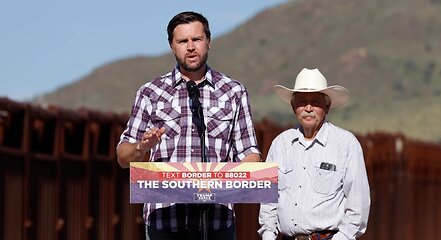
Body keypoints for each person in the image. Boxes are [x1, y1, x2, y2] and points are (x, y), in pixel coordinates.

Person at [116, 11, 261, 240]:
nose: (190, 47)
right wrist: (141, 148)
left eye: (197, 39)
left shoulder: (233, 92)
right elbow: (123, 157)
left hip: (217, 223)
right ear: (172, 46)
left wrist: (226, 181)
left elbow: (250, 155)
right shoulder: (150, 93)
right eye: (182, 41)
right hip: (164, 223)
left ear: (209, 42)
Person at [258, 68, 370, 240]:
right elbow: (268, 200)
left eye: (315, 102)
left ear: (327, 106)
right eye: (302, 101)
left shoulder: (346, 144)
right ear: (294, 106)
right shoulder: (280, 144)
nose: (308, 108)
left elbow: (358, 205)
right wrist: (268, 234)